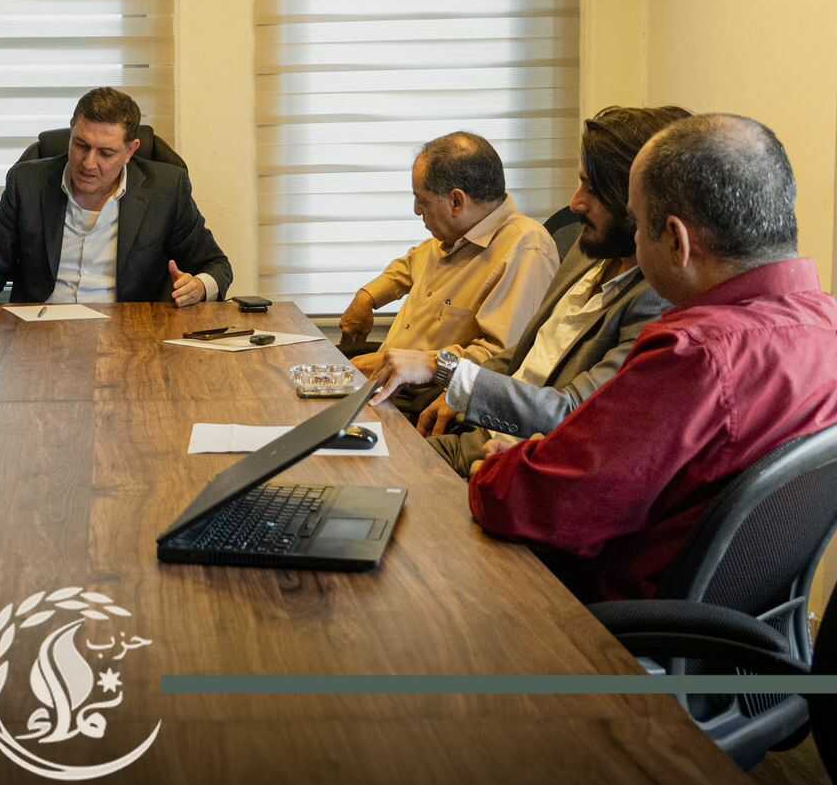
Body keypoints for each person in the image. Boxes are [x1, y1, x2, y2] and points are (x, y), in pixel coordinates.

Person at [467, 114, 837, 602]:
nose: (635, 240)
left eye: (639, 226)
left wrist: (500, 467)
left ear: (677, 242)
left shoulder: (694, 354)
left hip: (600, 618)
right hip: (736, 620)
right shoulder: (826, 326)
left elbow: (542, 506)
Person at [370, 106, 689, 475]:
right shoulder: (588, 252)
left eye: (593, 188)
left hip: (508, 457)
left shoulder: (657, 300)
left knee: (367, 477)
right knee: (346, 464)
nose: (575, 203)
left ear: (636, 200)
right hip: (472, 432)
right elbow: (526, 350)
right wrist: (457, 389)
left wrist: (447, 371)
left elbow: (573, 411)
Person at [338, 133, 560, 412]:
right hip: (389, 383)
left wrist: (405, 363)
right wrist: (366, 298)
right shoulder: (456, 235)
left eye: (422, 201)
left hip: (421, 401)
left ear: (456, 201)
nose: (416, 210)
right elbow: (407, 267)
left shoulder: (525, 248)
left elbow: (499, 359)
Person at [0, 87, 232, 308]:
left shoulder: (165, 190)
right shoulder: (27, 183)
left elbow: (216, 266)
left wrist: (199, 287)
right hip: (40, 333)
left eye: (106, 153)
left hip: (130, 335)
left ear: (130, 150)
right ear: (71, 132)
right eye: (81, 145)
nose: (88, 163)